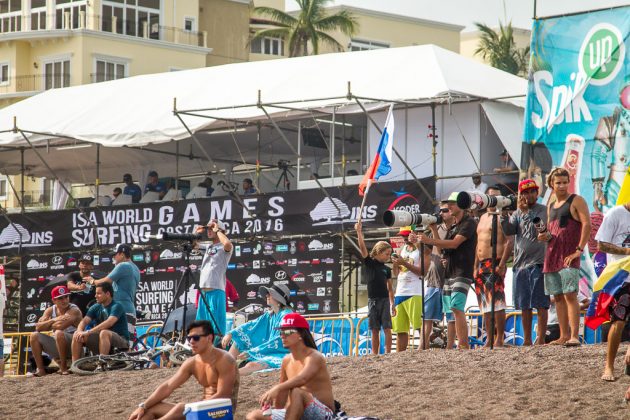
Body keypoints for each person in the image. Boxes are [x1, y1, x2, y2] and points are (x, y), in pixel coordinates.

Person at [128, 320, 239, 420]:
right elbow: (168, 386)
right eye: (189, 338)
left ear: (209, 338)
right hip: (199, 409)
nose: (191, 342)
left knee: (181, 407)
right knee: (148, 410)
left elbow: (223, 395)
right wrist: (142, 406)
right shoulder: (192, 362)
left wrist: (192, 408)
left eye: (196, 338)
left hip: (220, 413)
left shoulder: (224, 360)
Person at [537, 167, 591, 347]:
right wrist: (544, 236)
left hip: (569, 254)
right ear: (551, 184)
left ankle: (574, 335)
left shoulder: (577, 200)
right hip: (552, 254)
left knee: (570, 294)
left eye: (565, 182)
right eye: (558, 182)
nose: (562, 186)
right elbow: (552, 231)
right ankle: (563, 335)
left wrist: (579, 249)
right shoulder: (551, 205)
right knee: (557, 297)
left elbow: (587, 224)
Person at [418, 191, 478, 349]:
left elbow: (454, 244)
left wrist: (428, 240)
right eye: (447, 204)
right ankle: (458, 345)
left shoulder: (469, 222)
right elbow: (441, 249)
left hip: (462, 271)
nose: (449, 206)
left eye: (452, 203)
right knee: (452, 310)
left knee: (456, 308)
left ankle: (463, 345)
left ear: (461, 205)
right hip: (449, 272)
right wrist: (433, 231)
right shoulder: (455, 226)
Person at [246, 313, 334, 420]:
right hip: (296, 412)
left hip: (324, 413)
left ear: (301, 334)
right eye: (281, 332)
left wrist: (277, 388)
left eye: (287, 332)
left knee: (297, 391)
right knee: (253, 416)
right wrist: (271, 402)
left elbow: (303, 378)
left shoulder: (314, 356)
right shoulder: (286, 360)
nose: (282, 335)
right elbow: (280, 402)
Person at [501, 179, 550, 346]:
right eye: (525, 192)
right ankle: (527, 339)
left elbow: (540, 226)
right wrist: (502, 215)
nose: (529, 195)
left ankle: (541, 338)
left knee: (541, 304)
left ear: (537, 193)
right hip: (520, 264)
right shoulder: (516, 213)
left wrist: (525, 212)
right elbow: (509, 231)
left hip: (539, 263)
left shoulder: (544, 209)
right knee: (524, 305)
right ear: (520, 195)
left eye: (532, 192)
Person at [222, 284, 293, 375]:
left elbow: (280, 341)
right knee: (240, 339)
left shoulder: (287, 316)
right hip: (267, 349)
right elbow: (252, 324)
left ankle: (229, 375)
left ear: (278, 298)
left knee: (253, 365)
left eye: (270, 294)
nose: (267, 295)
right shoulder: (270, 314)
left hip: (282, 353)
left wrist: (252, 352)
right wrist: (231, 333)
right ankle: (224, 368)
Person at [473, 186, 513, 348]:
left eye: (496, 197)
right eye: (490, 196)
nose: (492, 199)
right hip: (482, 263)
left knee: (497, 302)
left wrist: (502, 263)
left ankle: (499, 338)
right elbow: (478, 244)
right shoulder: (483, 217)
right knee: (484, 303)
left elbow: (509, 241)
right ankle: (489, 338)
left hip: (495, 261)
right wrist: (475, 265)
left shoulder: (503, 217)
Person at [596, 199, 630, 380]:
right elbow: (601, 244)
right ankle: (608, 367)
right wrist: (625, 252)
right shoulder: (615, 214)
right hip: (621, 277)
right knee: (618, 322)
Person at [412, 201, 453, 349]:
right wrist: (416, 242)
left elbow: (440, 245)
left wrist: (434, 230)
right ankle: (423, 346)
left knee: (451, 315)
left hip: (449, 277)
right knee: (427, 316)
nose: (441, 213)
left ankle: (450, 347)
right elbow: (427, 250)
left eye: (445, 210)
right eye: (440, 210)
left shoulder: (455, 229)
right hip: (433, 276)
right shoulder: (439, 227)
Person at [355, 220, 394, 354]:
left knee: (387, 328)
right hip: (372, 301)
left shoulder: (387, 270)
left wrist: (392, 303)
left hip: (384, 301)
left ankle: (388, 353)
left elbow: (390, 288)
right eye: (386, 253)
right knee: (375, 329)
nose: (388, 256)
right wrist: (359, 232)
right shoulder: (370, 263)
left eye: (389, 254)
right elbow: (363, 248)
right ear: (378, 251)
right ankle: (374, 354)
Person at [30, 285, 82, 376]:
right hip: (59, 344)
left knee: (58, 332)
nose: (65, 300)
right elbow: (38, 328)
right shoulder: (50, 310)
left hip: (75, 346)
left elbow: (60, 326)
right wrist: (53, 320)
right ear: (54, 300)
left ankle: (63, 367)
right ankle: (41, 370)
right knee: (34, 335)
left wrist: (47, 325)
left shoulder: (74, 309)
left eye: (66, 297)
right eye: (60, 298)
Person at [71, 282, 130, 361]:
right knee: (77, 334)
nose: (95, 296)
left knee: (104, 332)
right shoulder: (95, 306)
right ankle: (74, 365)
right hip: (102, 341)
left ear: (108, 294)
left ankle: (102, 363)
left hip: (121, 342)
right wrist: (79, 331)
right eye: (96, 293)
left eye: (99, 293)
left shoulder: (117, 306)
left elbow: (109, 322)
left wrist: (88, 332)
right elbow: (84, 321)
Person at [194, 219, 233, 336]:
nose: (209, 231)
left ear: (218, 230)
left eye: (211, 228)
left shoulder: (225, 246)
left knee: (216, 329)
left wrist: (218, 230)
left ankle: (218, 350)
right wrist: (197, 233)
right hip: (204, 293)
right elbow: (194, 245)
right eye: (208, 229)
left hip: (216, 291)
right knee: (201, 327)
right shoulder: (208, 246)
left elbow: (227, 244)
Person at [87, 244, 140, 329]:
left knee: (112, 339)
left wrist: (92, 281)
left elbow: (106, 281)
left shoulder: (123, 265)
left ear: (122, 254)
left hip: (120, 310)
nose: (113, 258)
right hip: (130, 309)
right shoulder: (136, 268)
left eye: (115, 255)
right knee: (126, 341)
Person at [391, 225, 426, 352]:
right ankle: (400, 356)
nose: (404, 238)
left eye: (406, 235)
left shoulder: (421, 249)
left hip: (415, 292)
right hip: (400, 292)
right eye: (402, 236)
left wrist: (403, 263)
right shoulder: (402, 249)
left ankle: (423, 351)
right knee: (400, 329)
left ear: (414, 233)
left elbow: (423, 271)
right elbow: (396, 273)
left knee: (419, 327)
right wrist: (395, 264)